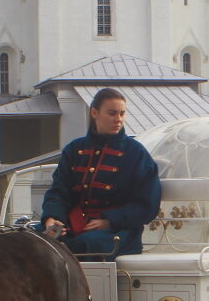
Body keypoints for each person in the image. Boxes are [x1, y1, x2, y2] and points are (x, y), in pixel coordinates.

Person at [40, 88, 161, 259]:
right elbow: (59, 191)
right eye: (112, 113)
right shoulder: (75, 149)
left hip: (118, 232)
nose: (118, 120)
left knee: (85, 244)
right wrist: (52, 218)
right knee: (29, 239)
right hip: (74, 224)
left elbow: (146, 205)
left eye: (122, 114)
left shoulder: (136, 153)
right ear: (95, 113)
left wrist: (109, 221)